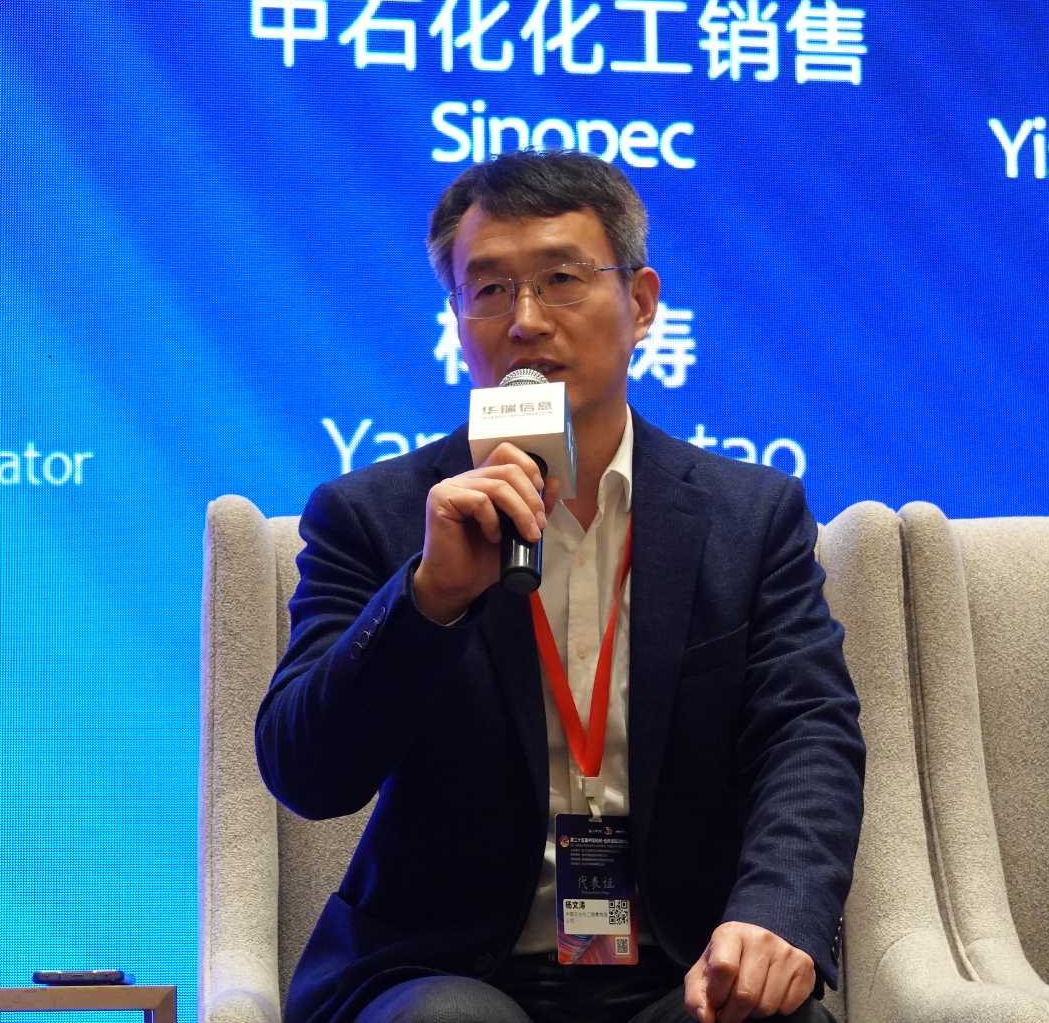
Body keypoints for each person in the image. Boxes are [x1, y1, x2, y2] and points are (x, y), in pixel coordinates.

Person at [256, 151, 864, 1023]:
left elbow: (808, 735)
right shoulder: (374, 516)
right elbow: (306, 774)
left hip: (677, 967)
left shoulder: (750, 516)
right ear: (456, 317)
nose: (526, 321)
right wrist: (429, 598)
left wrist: (776, 913)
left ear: (642, 303)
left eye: (561, 279)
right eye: (490, 289)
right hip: (445, 971)